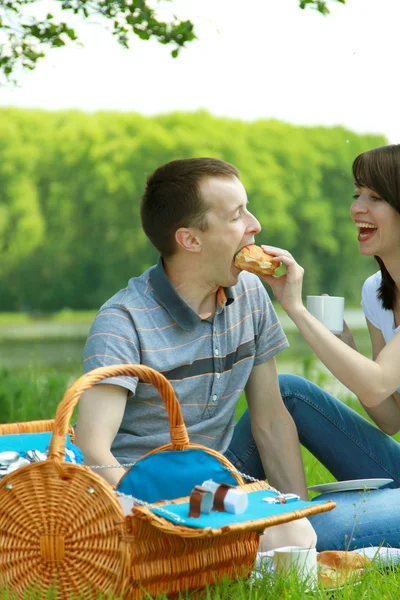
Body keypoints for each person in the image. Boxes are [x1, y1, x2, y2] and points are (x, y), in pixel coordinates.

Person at [75, 158, 318, 550]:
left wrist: (298, 511)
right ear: (190, 239)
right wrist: (158, 523)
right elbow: (92, 449)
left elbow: (271, 421)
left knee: (306, 530)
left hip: (216, 484)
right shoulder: (122, 323)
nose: (255, 226)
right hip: (146, 503)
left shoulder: (252, 295)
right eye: (237, 215)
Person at [259, 144, 400, 551]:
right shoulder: (376, 292)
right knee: (289, 391)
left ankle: (240, 532)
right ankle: (198, 496)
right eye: (358, 194)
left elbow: (374, 386)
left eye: (375, 197)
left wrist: (295, 308)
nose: (358, 208)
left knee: (296, 532)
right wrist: (344, 346)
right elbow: (390, 416)